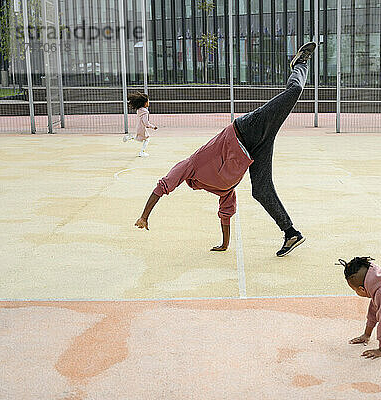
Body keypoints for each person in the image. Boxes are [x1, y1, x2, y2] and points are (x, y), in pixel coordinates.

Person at [134, 42, 317, 257]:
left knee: (294, 90)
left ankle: (300, 64)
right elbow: (226, 214)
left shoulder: (190, 166)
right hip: (254, 152)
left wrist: (145, 216)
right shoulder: (221, 189)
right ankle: (291, 233)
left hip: (246, 129)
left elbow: (163, 185)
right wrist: (224, 244)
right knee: (260, 190)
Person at [124, 92, 158, 157]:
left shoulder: (139, 110)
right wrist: (153, 127)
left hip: (139, 127)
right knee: (147, 139)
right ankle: (142, 152)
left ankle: (130, 137)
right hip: (142, 128)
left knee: (140, 138)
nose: (148, 103)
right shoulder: (145, 112)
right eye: (148, 101)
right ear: (144, 103)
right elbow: (146, 123)